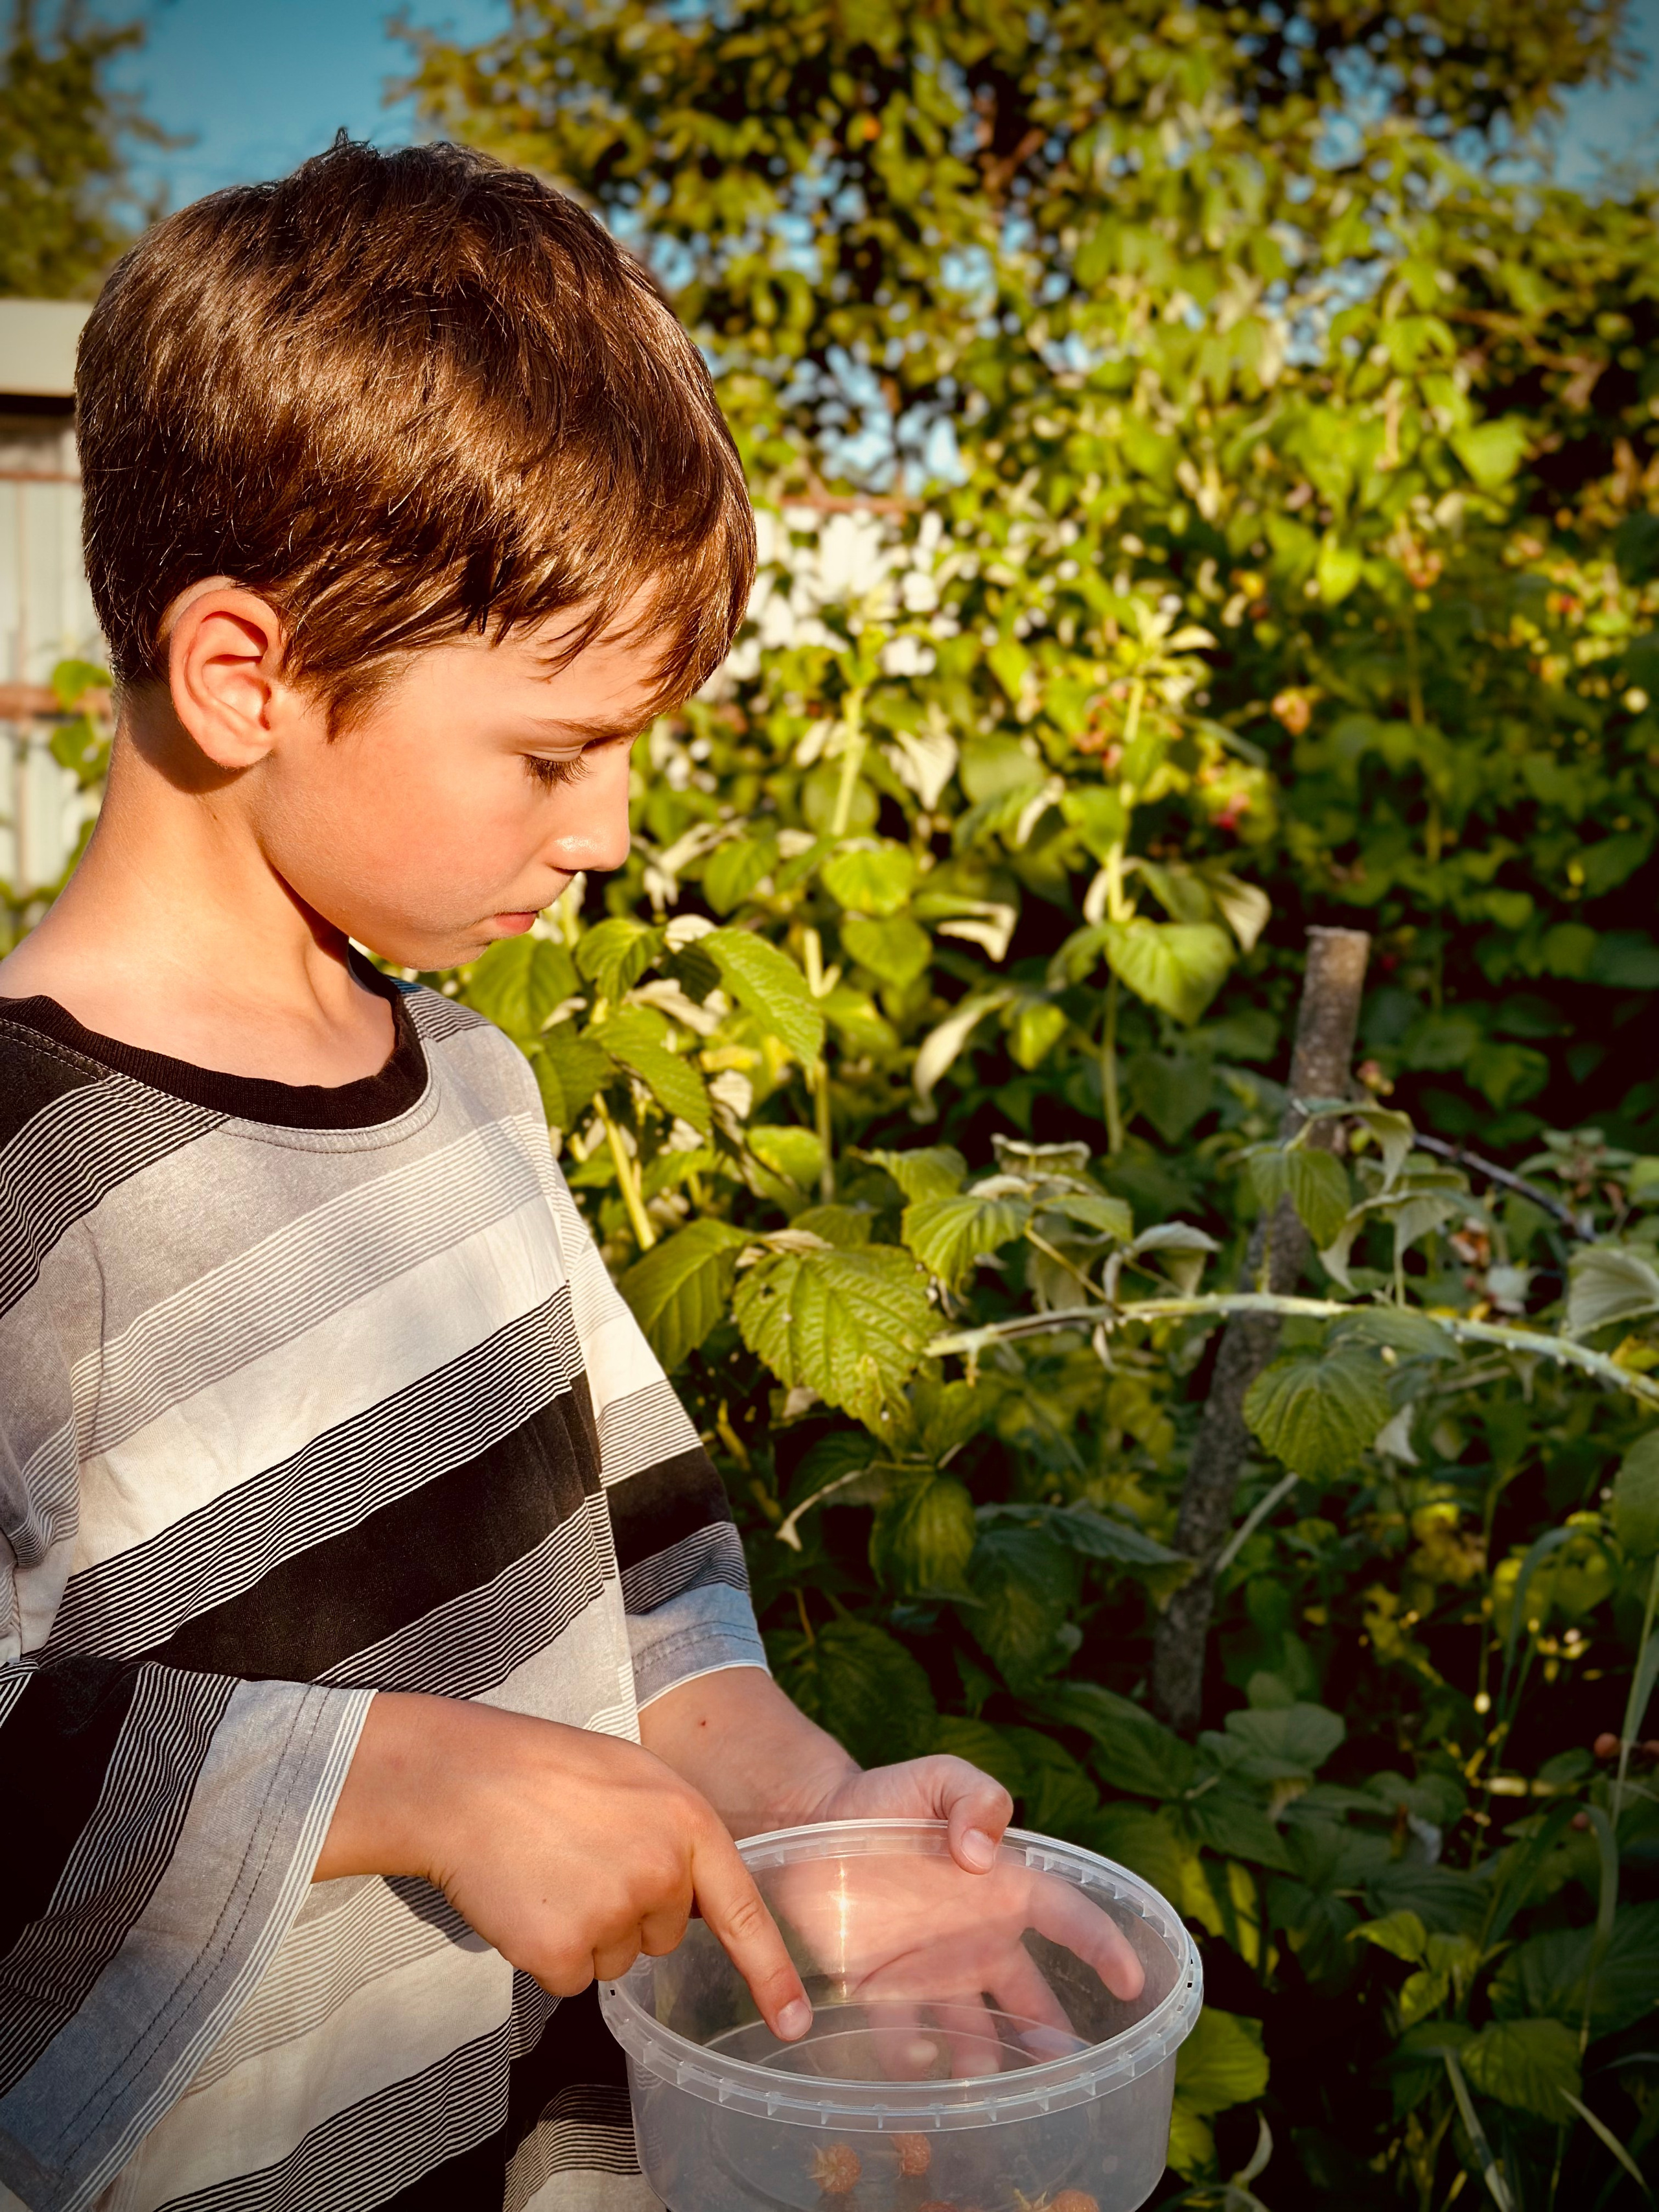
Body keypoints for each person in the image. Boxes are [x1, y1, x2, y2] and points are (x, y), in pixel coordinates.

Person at [0, 137, 1143, 2212]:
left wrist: (817, 1822)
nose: (609, 831)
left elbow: (651, 1582)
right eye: (552, 754)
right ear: (247, 676)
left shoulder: (473, 1089)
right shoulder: (32, 1173)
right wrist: (400, 1778)